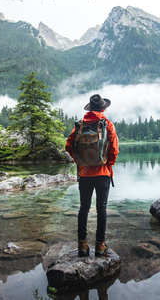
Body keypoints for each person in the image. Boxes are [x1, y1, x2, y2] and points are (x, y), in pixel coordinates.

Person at [65, 94, 119, 257]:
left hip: (85, 174)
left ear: (89, 108)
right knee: (101, 208)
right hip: (103, 173)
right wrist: (107, 164)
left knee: (84, 208)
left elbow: (68, 146)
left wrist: (80, 162)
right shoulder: (107, 124)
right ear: (103, 108)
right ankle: (100, 245)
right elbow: (114, 150)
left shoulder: (80, 125)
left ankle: (82, 245)